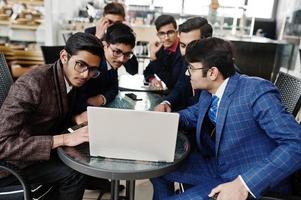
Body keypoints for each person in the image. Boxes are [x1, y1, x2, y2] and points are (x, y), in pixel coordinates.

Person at [151, 38, 301, 200]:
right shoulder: (210, 93)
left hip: (248, 178)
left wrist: (244, 184)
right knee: (158, 168)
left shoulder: (255, 91)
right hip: (219, 166)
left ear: (212, 73)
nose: (187, 73)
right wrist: (166, 120)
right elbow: (192, 114)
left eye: (191, 68)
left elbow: (296, 143)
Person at [0, 32, 103, 200]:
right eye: (81, 65)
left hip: (36, 157)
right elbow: (2, 143)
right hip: (12, 167)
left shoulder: (69, 78)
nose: (85, 75)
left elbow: (52, 114)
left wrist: (76, 118)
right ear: (64, 56)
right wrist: (64, 139)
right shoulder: (32, 83)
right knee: (75, 172)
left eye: (92, 70)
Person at [73, 22, 136, 124]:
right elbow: (73, 94)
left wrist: (102, 98)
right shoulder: (91, 64)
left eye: (127, 54)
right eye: (117, 52)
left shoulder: (111, 63)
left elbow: (114, 88)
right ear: (105, 45)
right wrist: (78, 114)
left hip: (95, 112)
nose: (121, 59)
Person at [155, 17, 212, 112]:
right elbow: (181, 86)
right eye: (183, 45)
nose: (186, 52)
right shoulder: (187, 62)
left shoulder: (219, 71)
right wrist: (166, 103)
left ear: (208, 43)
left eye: (192, 45)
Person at [85, 2, 138, 75]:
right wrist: (97, 38)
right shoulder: (90, 32)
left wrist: (129, 38)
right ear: (102, 19)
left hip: (112, 81)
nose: (112, 26)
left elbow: (133, 70)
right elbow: (84, 63)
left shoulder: (123, 35)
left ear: (123, 22)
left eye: (117, 23)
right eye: (109, 22)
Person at [143, 15, 183, 91]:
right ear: (158, 35)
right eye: (162, 33)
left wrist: (153, 58)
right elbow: (147, 71)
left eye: (170, 32)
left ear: (177, 32)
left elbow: (172, 83)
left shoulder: (182, 49)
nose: (166, 38)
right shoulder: (161, 48)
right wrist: (152, 79)